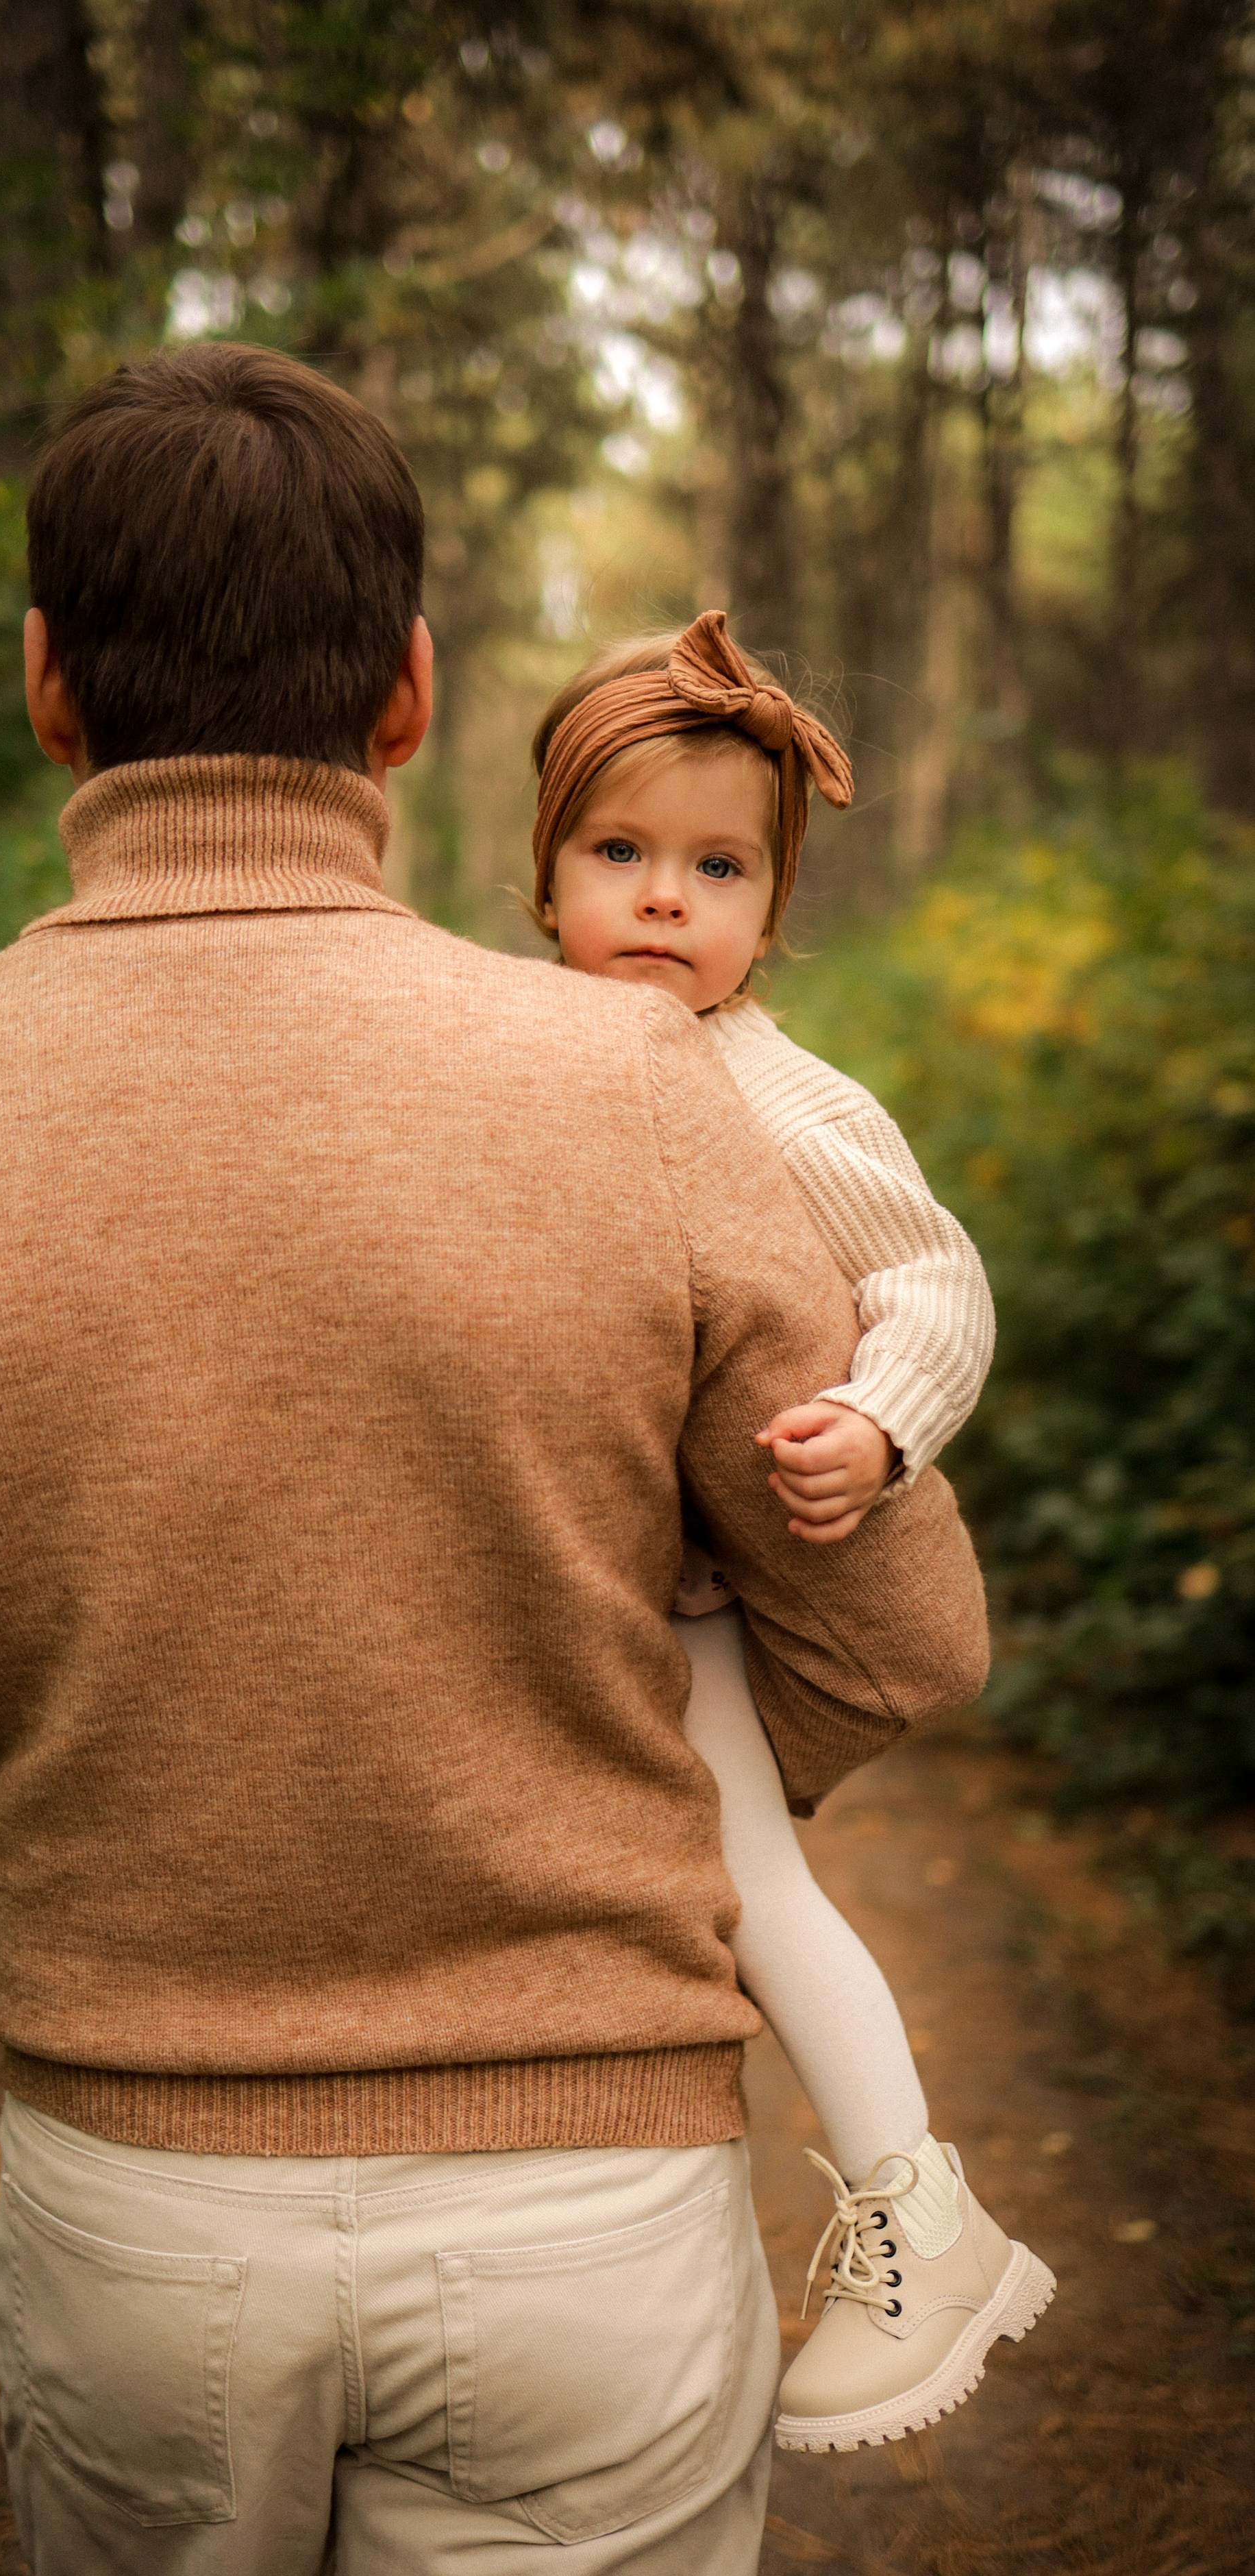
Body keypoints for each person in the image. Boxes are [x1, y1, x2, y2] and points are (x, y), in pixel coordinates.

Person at [0, 345, 990, 2576]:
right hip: (589, 2216)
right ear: (408, 698)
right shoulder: (637, 1090)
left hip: (134, 2218)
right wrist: (590, 1685)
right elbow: (902, 1636)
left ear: (46, 681)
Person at [530, 613, 1055, 2457]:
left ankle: (917, 2199)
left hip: (686, 1589)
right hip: (547, 1559)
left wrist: (877, 1419)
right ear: (543, 876)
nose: (663, 901)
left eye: (717, 868)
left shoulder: (779, 1088)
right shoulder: (514, 1054)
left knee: (750, 1888)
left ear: (767, 907)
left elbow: (933, 1275)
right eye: (619, 855)